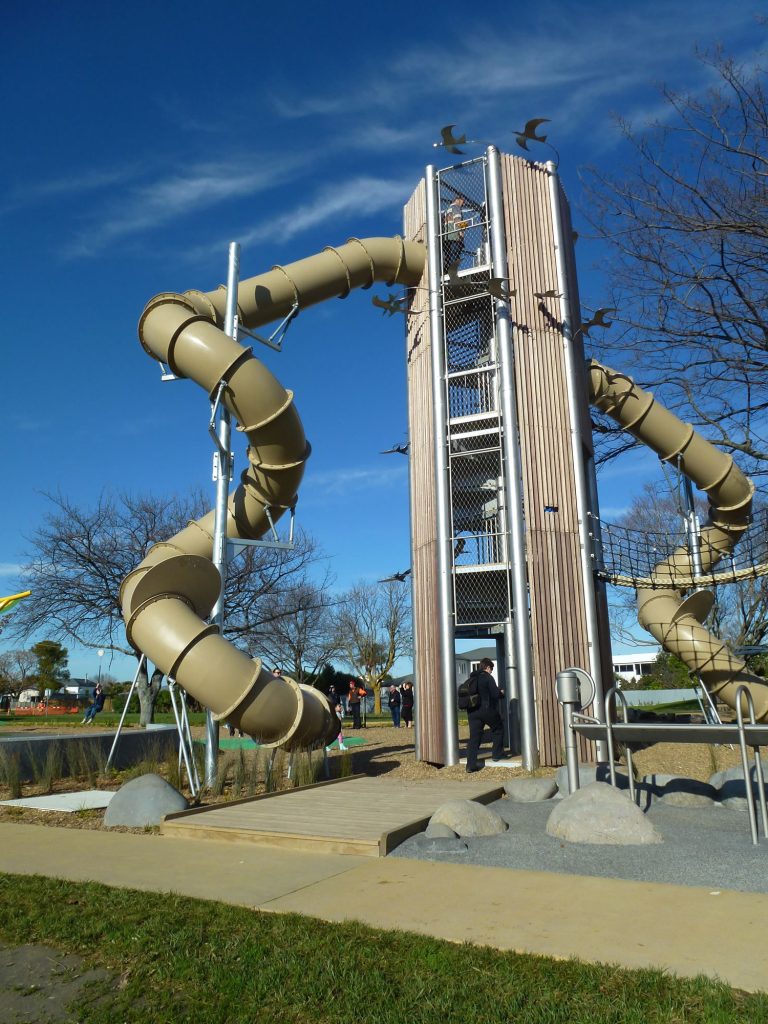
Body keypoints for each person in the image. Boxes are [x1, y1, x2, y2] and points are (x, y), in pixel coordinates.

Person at [465, 658, 505, 773]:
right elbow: (494, 694)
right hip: (486, 709)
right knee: (498, 728)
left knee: (474, 737)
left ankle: (470, 765)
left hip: (472, 712)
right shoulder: (488, 677)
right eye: (491, 668)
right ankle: (497, 755)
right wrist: (501, 693)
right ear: (487, 667)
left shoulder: (472, 678)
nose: (492, 671)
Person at [443, 197, 466, 269]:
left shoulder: (446, 211)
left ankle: (447, 270)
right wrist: (461, 231)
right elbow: (457, 220)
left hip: (446, 238)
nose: (462, 204)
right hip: (454, 237)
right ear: (457, 200)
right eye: (462, 202)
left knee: (448, 256)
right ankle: (452, 272)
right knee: (455, 256)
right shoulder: (456, 207)